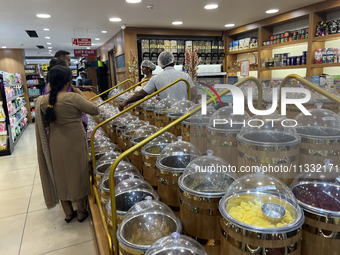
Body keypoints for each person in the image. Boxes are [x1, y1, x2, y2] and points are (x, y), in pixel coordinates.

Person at [35, 66, 100, 223]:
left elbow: (43, 123)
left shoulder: (42, 101)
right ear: (67, 82)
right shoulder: (73, 97)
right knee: (78, 173)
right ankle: (81, 211)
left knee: (61, 174)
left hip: (55, 142)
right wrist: (79, 93)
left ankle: (68, 212)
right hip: (75, 141)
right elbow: (95, 110)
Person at [119, 51, 196, 111]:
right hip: (184, 112)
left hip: (167, 112)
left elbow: (141, 94)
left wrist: (125, 102)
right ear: (174, 62)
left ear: (161, 64)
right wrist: (184, 102)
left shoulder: (156, 78)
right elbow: (193, 94)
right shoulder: (185, 76)